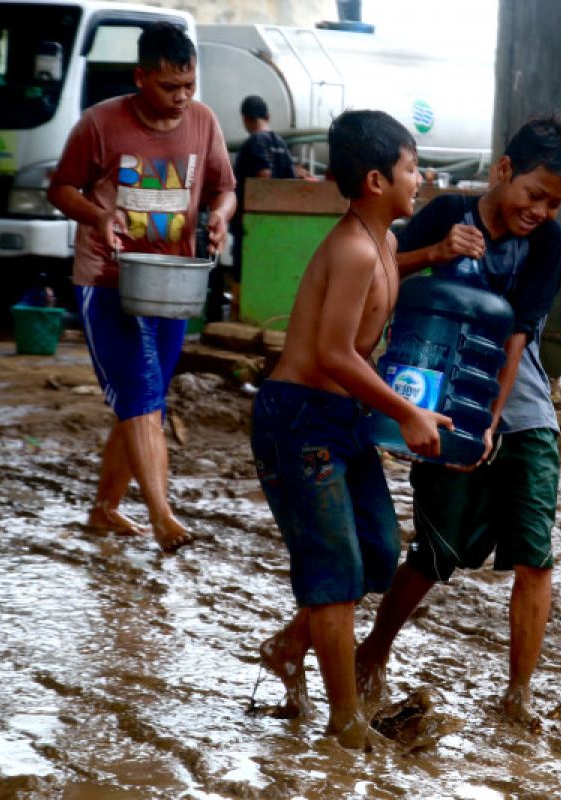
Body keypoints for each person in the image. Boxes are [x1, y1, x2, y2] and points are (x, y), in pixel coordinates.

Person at [355, 112, 561, 727]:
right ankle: (371, 654)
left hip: (523, 408)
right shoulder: (444, 214)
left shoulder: (547, 244)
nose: (540, 211)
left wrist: (492, 419)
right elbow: (377, 270)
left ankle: (517, 697)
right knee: (436, 554)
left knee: (535, 555)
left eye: (555, 204)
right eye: (534, 195)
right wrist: (434, 252)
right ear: (503, 170)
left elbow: (518, 333)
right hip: (442, 405)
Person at [250, 109, 452, 749]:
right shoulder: (355, 249)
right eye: (411, 168)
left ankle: (289, 645)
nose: (419, 178)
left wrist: (436, 254)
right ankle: (344, 721)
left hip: (342, 420)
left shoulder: (385, 243)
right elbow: (334, 353)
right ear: (374, 179)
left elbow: (389, 275)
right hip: (300, 418)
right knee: (334, 569)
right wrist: (406, 411)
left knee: (377, 550)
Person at [47, 22, 236, 552]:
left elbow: (225, 187)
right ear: (140, 78)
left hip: (173, 284)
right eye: (169, 87)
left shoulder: (203, 121)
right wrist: (98, 216)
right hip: (108, 280)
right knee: (141, 396)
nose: (181, 99)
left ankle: (105, 509)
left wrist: (220, 216)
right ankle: (162, 515)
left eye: (189, 86)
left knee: (144, 397)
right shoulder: (99, 123)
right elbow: (61, 188)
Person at [224, 95, 308, 320]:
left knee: (244, 273)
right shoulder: (281, 143)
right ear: (267, 116)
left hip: (252, 223)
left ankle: (241, 317)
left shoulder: (254, 143)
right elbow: (291, 182)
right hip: (280, 225)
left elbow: (263, 177)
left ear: (246, 119)